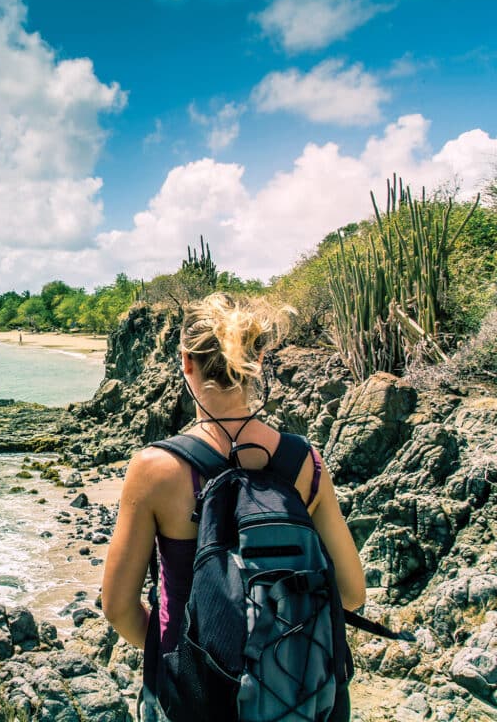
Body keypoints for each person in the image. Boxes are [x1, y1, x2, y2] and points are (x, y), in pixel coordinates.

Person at [101, 292, 366, 721]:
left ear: (186, 361)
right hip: (293, 692)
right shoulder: (305, 462)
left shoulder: (156, 469)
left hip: (194, 698)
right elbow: (352, 594)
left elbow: (117, 607)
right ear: (258, 358)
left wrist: (186, 650)